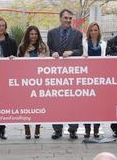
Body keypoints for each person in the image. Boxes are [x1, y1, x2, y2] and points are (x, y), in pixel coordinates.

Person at [47, 9, 83, 139]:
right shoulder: (51, 33)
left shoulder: (78, 34)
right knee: (56, 101)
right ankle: (57, 129)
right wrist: (52, 53)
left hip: (72, 74)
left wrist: (72, 52)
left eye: (70, 18)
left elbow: (80, 50)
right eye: (66, 18)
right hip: (55, 74)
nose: (68, 20)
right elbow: (48, 49)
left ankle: (73, 129)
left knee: (73, 101)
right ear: (60, 18)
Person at [18, 25, 50, 139]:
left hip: (40, 81)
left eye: (35, 34)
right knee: (26, 105)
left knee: (39, 105)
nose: (33, 36)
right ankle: (26, 126)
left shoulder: (44, 46)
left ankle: (37, 127)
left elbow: (48, 63)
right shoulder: (22, 47)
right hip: (26, 80)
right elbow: (17, 64)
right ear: (28, 35)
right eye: (31, 34)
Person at [82, 22, 106, 138]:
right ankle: (87, 129)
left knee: (98, 104)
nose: (93, 32)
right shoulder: (84, 43)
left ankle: (96, 129)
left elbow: (105, 58)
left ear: (98, 31)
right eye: (91, 30)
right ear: (89, 32)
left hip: (99, 77)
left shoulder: (104, 44)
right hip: (87, 78)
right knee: (86, 105)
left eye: (95, 30)